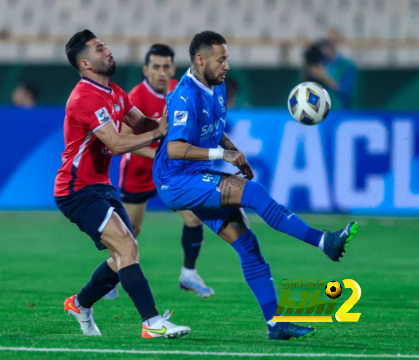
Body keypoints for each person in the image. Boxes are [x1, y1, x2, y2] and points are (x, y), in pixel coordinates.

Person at [153, 31, 359, 340]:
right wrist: (224, 154)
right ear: (200, 59)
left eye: (227, 59)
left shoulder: (217, 85)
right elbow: (174, 148)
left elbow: (214, 128)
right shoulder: (184, 95)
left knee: (249, 247)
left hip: (196, 177)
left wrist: (234, 151)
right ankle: (324, 242)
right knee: (253, 193)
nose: (227, 65)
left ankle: (275, 324)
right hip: (176, 181)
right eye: (221, 59)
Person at [55, 30, 190, 339]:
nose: (109, 51)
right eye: (100, 49)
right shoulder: (83, 97)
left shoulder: (114, 91)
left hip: (100, 186)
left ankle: (79, 303)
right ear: (86, 63)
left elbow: (141, 123)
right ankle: (152, 322)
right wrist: (159, 133)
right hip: (76, 189)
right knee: (127, 246)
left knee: (123, 256)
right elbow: (116, 143)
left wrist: (172, 125)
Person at [105, 44, 213, 300]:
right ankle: (110, 279)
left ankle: (189, 274)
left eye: (166, 67)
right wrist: (159, 155)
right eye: (156, 67)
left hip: (171, 173)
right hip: (140, 173)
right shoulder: (137, 97)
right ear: (146, 69)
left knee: (194, 219)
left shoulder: (180, 90)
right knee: (130, 232)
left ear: (173, 69)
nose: (161, 72)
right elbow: (123, 140)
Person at [304, 29, 356, 109]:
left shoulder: (347, 65)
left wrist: (325, 78)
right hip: (318, 109)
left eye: (333, 41)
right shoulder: (319, 62)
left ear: (338, 41)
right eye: (328, 41)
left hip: (339, 111)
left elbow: (346, 92)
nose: (330, 45)